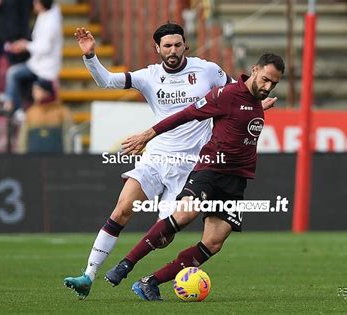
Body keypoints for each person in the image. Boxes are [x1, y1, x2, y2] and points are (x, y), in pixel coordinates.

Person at [63, 23, 277, 299]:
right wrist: (90, 56)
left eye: (177, 45)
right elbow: (106, 81)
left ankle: (146, 277)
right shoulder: (148, 76)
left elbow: (238, 94)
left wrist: (258, 104)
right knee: (122, 208)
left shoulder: (208, 70)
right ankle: (88, 275)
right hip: (156, 157)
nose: (173, 50)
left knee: (166, 237)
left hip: (190, 165)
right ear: (157, 49)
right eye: (167, 46)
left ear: (185, 45)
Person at [119, 53, 285, 301]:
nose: (268, 86)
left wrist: (258, 107)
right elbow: (186, 114)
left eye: (273, 83)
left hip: (236, 180)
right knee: (185, 214)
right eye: (265, 79)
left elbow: (241, 116)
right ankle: (126, 264)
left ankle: (149, 282)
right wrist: (149, 134)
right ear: (254, 70)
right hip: (210, 170)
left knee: (214, 243)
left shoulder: (255, 103)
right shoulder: (226, 94)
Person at [2, 0, 62, 113]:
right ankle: (15, 109)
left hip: (47, 69)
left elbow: (45, 47)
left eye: (36, 2)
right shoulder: (44, 14)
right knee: (12, 73)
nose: (33, 4)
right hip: (35, 64)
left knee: (39, 96)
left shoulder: (51, 23)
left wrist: (25, 46)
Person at [0, 0, 33, 99]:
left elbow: (23, 12)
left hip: (12, 38)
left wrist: (22, 35)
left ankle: (15, 102)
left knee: (14, 71)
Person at [16, 79, 72, 153]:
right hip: (34, 158)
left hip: (57, 158)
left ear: (46, 92)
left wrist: (68, 155)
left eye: (37, 90)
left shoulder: (62, 111)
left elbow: (67, 135)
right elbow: (23, 137)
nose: (33, 93)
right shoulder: (31, 112)